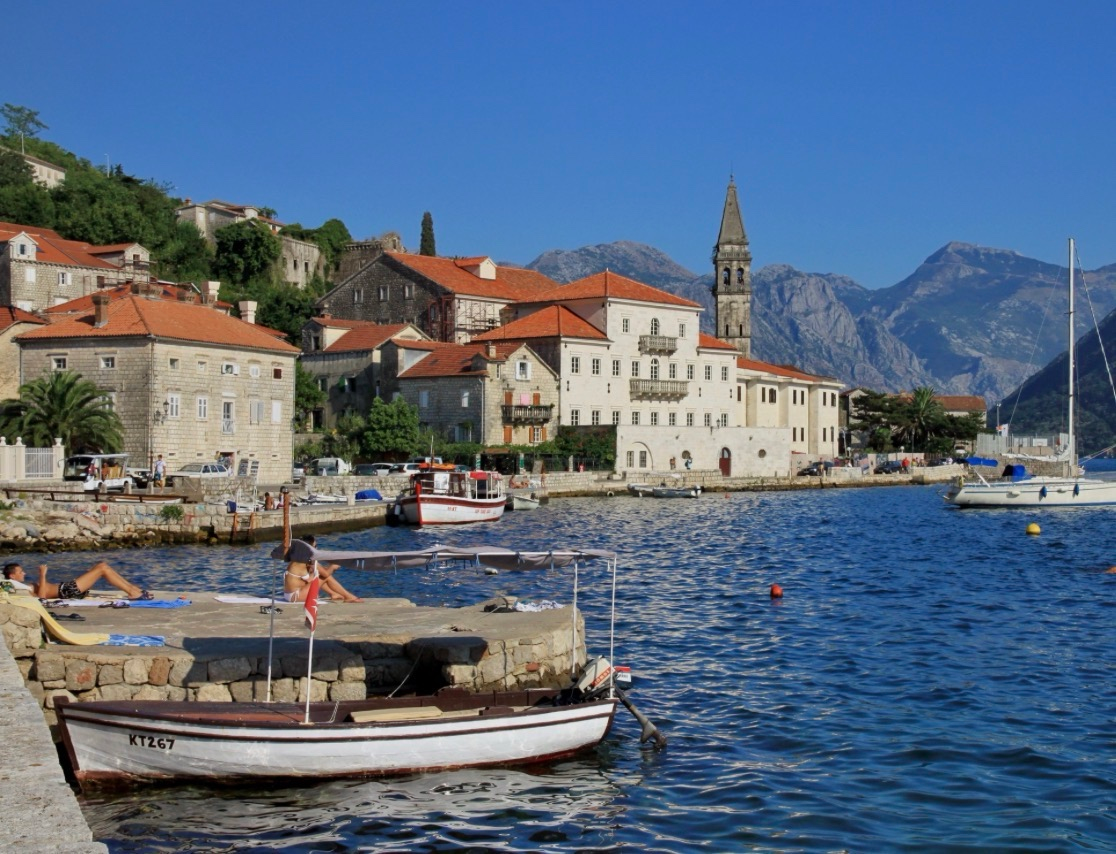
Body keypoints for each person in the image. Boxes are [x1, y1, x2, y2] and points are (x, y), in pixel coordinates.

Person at [2, 561, 152, 601]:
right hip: (66, 591)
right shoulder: (20, 588)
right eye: (20, 572)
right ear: (12, 576)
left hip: (66, 588)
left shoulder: (19, 585)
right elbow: (41, 598)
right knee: (102, 568)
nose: (24, 573)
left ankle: (134, 590)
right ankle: (132, 592)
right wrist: (42, 575)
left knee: (101, 566)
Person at [284, 534, 362, 603]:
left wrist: (327, 567)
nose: (316, 549)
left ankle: (333, 593)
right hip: (296, 596)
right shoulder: (308, 559)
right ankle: (348, 596)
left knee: (318, 575)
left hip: (289, 595)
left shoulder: (297, 559)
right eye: (315, 546)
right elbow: (326, 574)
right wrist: (333, 566)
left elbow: (316, 572)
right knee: (326, 576)